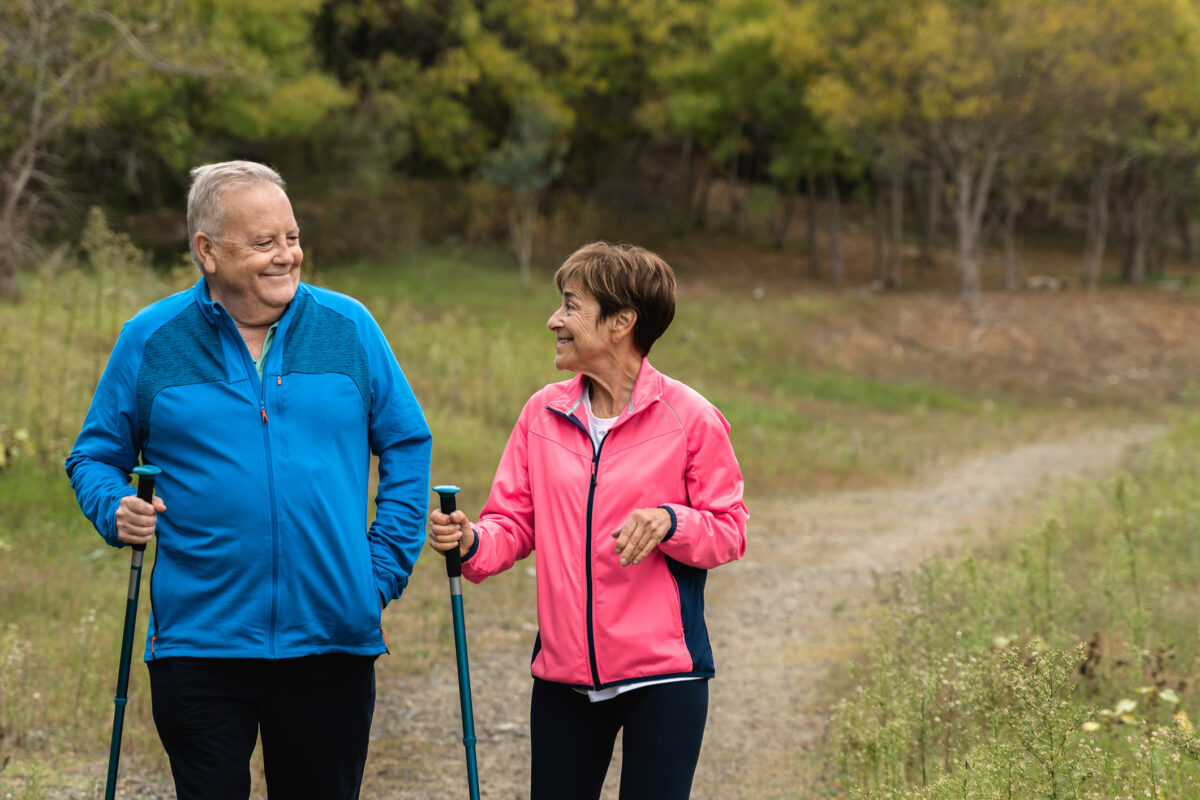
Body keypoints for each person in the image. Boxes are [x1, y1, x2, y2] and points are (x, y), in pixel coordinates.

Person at [65, 160, 432, 800]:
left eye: (291, 238)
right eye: (264, 243)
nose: (286, 256)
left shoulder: (348, 328)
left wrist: (378, 572)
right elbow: (94, 455)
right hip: (199, 645)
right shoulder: (150, 340)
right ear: (207, 251)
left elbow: (405, 443)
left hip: (331, 641)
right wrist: (114, 504)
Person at [428, 241, 749, 800]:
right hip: (564, 677)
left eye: (571, 306)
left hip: (665, 676)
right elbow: (513, 522)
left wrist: (672, 522)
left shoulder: (690, 418)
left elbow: (730, 529)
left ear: (623, 321)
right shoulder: (542, 414)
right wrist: (473, 539)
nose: (555, 320)